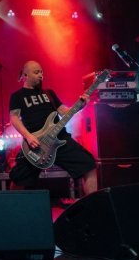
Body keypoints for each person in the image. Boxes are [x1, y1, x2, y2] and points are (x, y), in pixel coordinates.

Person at [8, 60, 97, 196]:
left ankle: (93, 205)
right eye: (36, 72)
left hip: (60, 138)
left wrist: (81, 106)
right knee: (18, 178)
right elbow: (14, 118)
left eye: (41, 72)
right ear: (25, 75)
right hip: (36, 144)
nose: (41, 75)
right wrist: (28, 136)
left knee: (89, 165)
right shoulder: (17, 96)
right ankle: (12, 206)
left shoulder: (49, 93)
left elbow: (64, 112)